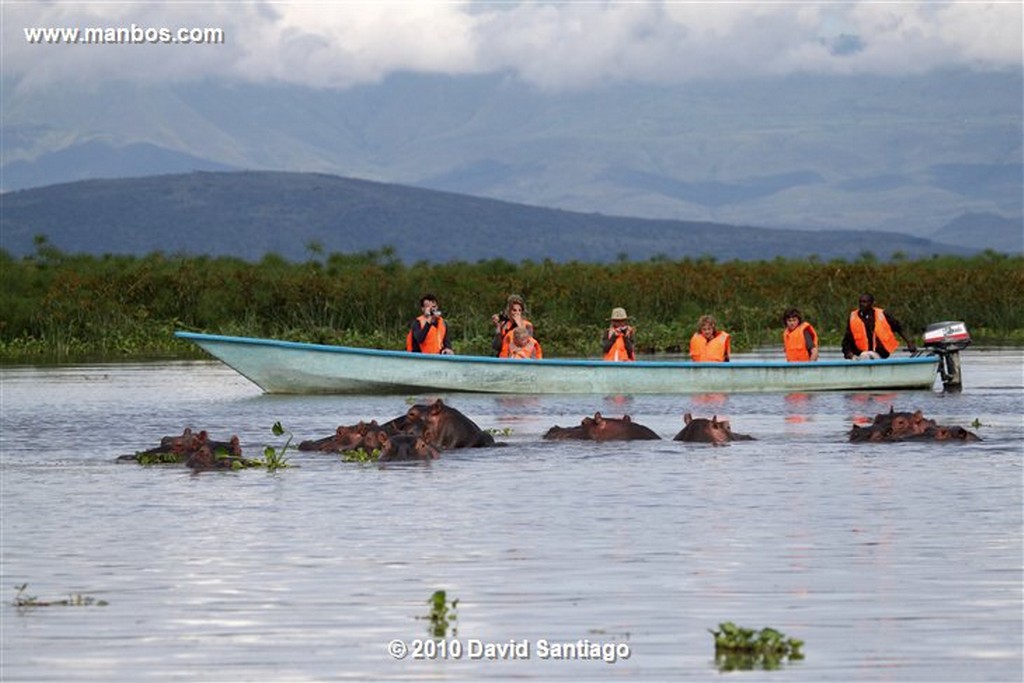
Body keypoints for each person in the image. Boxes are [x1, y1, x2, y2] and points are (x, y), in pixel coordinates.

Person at [841, 293, 916, 360]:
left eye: (864, 302)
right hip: (859, 354)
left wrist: (910, 343)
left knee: (866, 355)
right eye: (860, 302)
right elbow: (847, 340)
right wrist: (849, 354)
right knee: (863, 356)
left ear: (871, 303)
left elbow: (899, 327)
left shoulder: (882, 315)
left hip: (879, 353)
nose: (861, 304)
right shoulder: (853, 318)